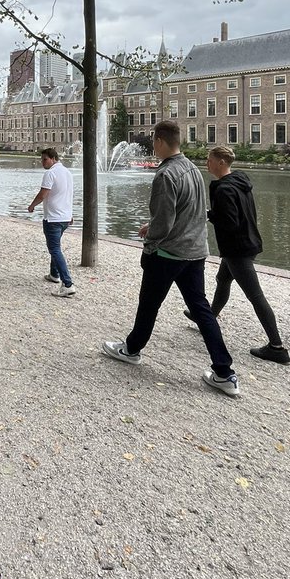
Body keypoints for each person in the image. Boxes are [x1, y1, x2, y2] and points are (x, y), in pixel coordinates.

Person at [101, 120, 238, 396]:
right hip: (195, 252)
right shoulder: (193, 169)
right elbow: (191, 212)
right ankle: (225, 373)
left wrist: (150, 241)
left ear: (160, 141)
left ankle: (131, 350)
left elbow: (164, 223)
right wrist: (153, 225)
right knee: (202, 310)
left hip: (168, 253)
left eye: (154, 141)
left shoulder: (165, 174)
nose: (153, 146)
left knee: (149, 304)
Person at [186, 145, 290, 365]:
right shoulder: (239, 180)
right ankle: (207, 318)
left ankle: (277, 347)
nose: (207, 163)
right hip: (248, 241)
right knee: (223, 279)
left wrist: (208, 215)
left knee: (256, 296)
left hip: (237, 249)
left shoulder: (224, 189)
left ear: (221, 162)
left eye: (210, 160)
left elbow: (229, 223)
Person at [28, 148, 75, 297]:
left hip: (53, 218)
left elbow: (43, 194)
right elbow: (68, 195)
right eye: (42, 160)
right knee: (56, 246)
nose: (42, 162)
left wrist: (32, 205)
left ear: (53, 158)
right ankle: (54, 274)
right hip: (64, 218)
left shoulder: (50, 173)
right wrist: (70, 214)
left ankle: (68, 284)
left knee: (54, 249)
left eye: (45, 159)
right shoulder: (67, 172)